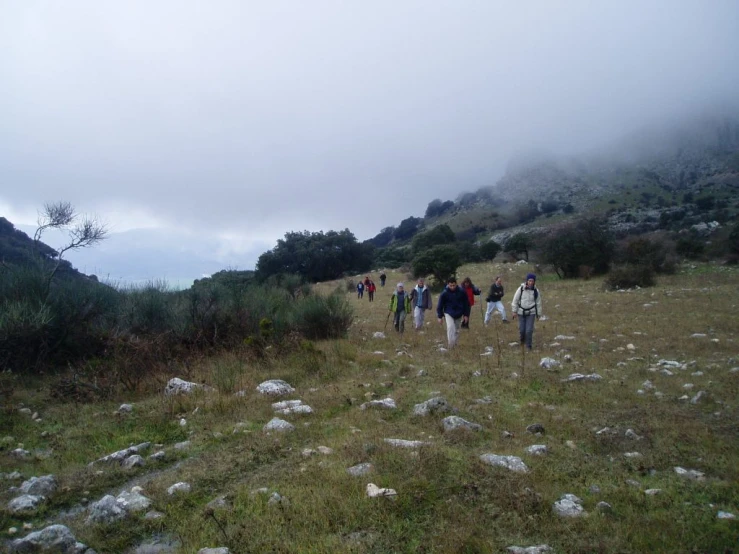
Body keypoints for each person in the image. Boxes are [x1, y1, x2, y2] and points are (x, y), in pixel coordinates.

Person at [511, 273, 543, 351]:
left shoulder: (536, 291)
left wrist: (538, 314)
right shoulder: (521, 289)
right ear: (527, 281)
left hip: (531, 313)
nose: (531, 282)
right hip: (521, 312)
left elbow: (538, 303)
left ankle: (528, 346)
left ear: (534, 282)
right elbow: (515, 300)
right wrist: (514, 311)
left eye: (532, 281)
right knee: (522, 330)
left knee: (529, 330)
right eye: (529, 281)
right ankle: (522, 341)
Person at [436, 277, 470, 348]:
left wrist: (466, 315)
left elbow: (466, 304)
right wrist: (439, 316)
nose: (452, 287)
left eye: (453, 285)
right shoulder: (444, 293)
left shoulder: (462, 292)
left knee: (457, 330)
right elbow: (440, 305)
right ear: (448, 285)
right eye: (450, 285)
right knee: (450, 327)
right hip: (448, 312)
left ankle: (455, 344)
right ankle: (451, 345)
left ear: (456, 284)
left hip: (459, 313)